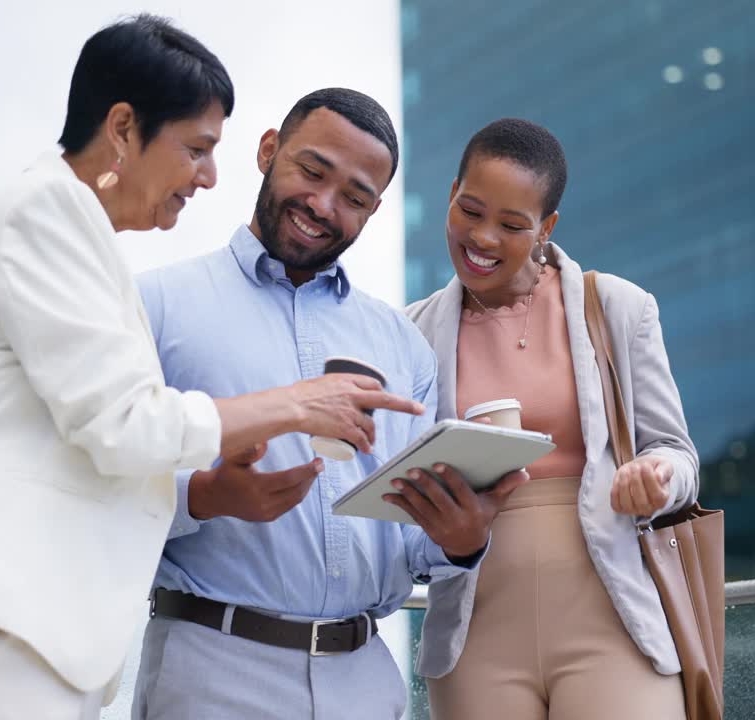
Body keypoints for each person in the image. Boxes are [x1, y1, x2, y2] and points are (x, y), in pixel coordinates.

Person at [0, 19, 421, 720]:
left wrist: (211, 493)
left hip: (16, 627)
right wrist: (300, 404)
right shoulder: (45, 217)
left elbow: (94, 447)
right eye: (196, 148)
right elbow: (126, 423)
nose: (208, 175)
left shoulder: (79, 238)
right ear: (123, 128)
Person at [130, 88, 526, 720]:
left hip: (365, 679)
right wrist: (205, 493)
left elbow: (406, 538)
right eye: (312, 172)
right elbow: (98, 485)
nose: (323, 205)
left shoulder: (402, 345)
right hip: (212, 672)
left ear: (374, 210)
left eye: (355, 197)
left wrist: (458, 540)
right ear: (268, 150)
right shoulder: (156, 306)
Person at [405, 118, 698, 719]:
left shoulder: (616, 306)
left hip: (611, 619)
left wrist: (658, 476)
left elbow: (678, 454)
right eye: (470, 211)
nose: (483, 238)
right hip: (474, 635)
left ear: (547, 227)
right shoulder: (410, 333)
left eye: (512, 225)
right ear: (452, 193)